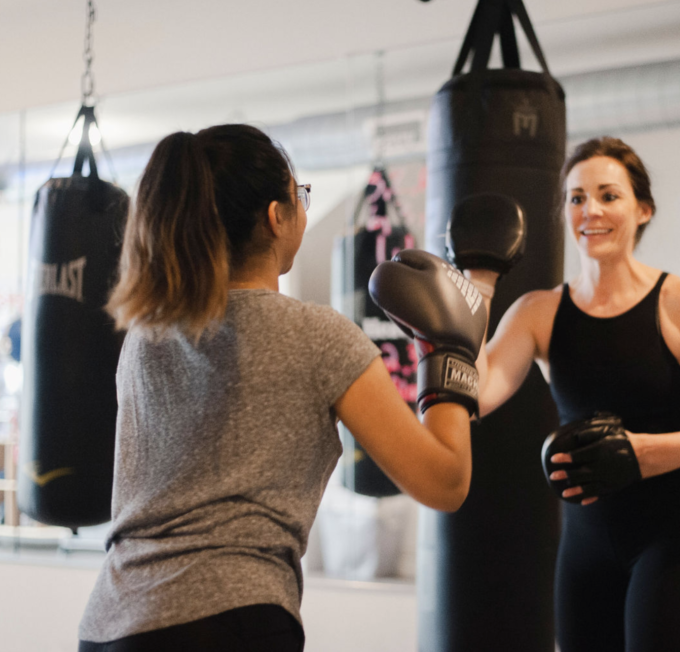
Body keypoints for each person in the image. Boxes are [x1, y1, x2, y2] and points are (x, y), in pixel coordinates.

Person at [77, 124, 484, 651]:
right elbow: (444, 481)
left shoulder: (144, 337)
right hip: (228, 619)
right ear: (276, 216)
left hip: (109, 625)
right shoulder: (320, 337)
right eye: (300, 197)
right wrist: (449, 350)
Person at [456, 137, 680, 652]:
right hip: (585, 545)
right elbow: (474, 396)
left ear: (642, 209)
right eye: (576, 198)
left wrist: (642, 451)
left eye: (608, 195)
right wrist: (479, 284)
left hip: (676, 538)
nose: (591, 211)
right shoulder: (539, 312)